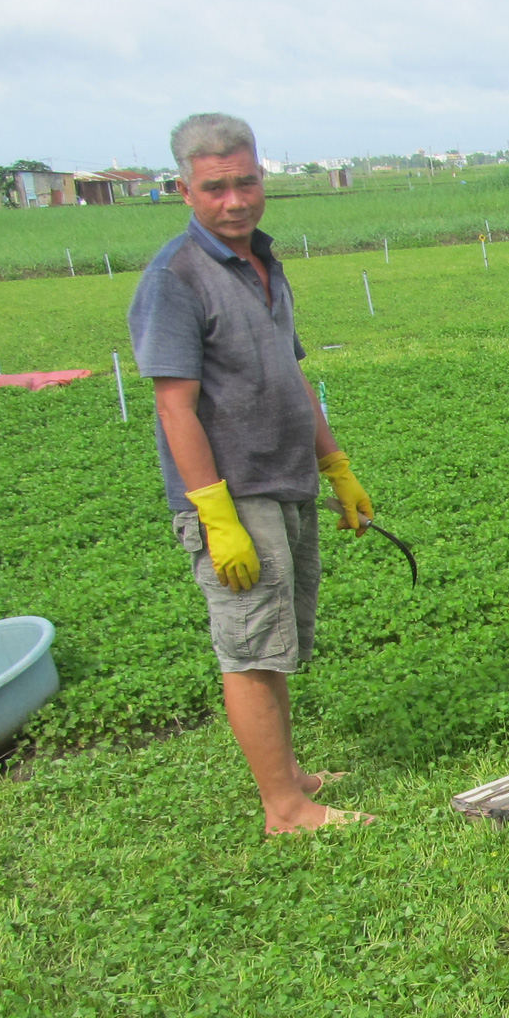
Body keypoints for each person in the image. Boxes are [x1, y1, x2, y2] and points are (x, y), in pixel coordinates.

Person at [128, 113, 378, 834]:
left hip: (287, 477)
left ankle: (289, 775)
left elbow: (292, 375)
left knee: (277, 641)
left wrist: (336, 466)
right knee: (248, 650)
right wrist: (216, 515)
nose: (235, 200)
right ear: (185, 191)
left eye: (246, 182)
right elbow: (176, 408)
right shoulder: (175, 279)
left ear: (262, 177)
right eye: (216, 188)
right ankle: (285, 809)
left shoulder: (265, 265)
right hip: (235, 492)